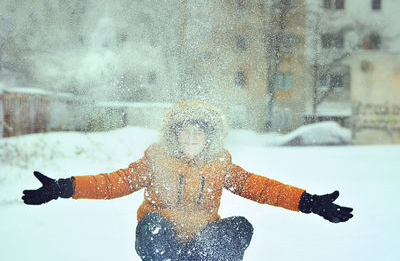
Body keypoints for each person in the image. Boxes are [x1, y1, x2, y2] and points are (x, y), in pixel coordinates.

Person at [22, 100, 353, 261]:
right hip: (161, 241)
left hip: (200, 245)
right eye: (185, 131)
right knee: (151, 223)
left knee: (240, 227)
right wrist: (62, 187)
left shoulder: (219, 163)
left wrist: (309, 202)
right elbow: (113, 183)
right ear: (174, 134)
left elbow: (261, 187)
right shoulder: (155, 160)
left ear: (208, 137)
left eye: (199, 132)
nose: (192, 138)